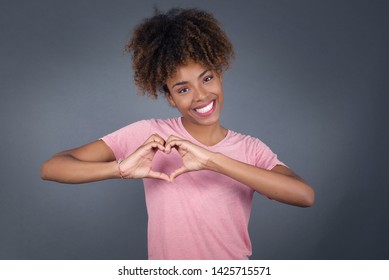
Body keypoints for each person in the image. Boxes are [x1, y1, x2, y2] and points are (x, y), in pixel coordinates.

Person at [41, 7, 314, 260]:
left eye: (207, 79)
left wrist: (213, 161)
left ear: (219, 75)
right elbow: (53, 167)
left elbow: (304, 196)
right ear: (170, 97)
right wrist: (120, 169)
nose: (201, 96)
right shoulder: (151, 135)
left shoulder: (250, 149)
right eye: (183, 89)